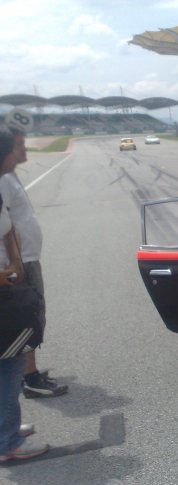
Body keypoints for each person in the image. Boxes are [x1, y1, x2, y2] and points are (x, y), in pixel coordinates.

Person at [0, 127, 68, 398]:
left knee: (28, 316)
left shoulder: (9, 175)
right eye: (19, 146)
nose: (24, 150)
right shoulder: (3, 179)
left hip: (24, 259)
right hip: (18, 263)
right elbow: (6, 226)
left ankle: (23, 373)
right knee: (27, 317)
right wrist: (14, 262)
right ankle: (28, 377)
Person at [0, 130, 49, 463]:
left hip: (9, 277)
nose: (20, 153)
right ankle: (7, 442)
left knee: (9, 360)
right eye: (14, 148)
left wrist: (15, 260)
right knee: (9, 361)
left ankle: (8, 429)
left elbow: (8, 228)